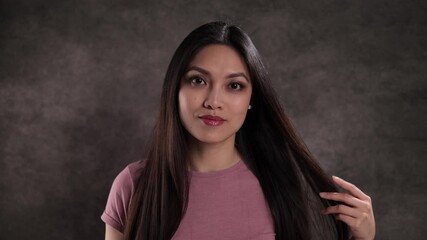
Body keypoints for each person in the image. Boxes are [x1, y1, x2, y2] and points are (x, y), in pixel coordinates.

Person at [101, 21, 375, 240]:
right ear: (175, 89)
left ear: (252, 99)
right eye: (198, 80)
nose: (213, 101)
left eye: (234, 86)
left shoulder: (279, 184)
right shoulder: (134, 185)